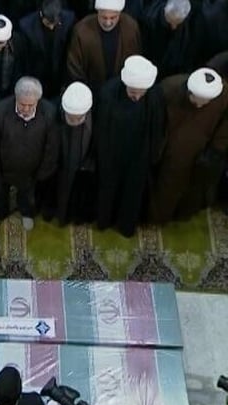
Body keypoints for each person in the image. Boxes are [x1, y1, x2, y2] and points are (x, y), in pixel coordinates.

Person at [95, 55, 165, 237]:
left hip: (139, 153)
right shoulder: (108, 93)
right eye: (133, 91)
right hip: (112, 153)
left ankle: (126, 225)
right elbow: (101, 130)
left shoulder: (154, 96)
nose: (136, 96)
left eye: (141, 92)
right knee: (108, 188)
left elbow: (157, 127)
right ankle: (104, 221)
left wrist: (153, 154)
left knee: (132, 193)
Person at [151, 68, 228, 224]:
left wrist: (216, 150)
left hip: (202, 154)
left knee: (193, 190)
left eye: (205, 102)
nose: (200, 105)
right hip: (172, 153)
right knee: (166, 188)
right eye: (196, 99)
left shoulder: (224, 95)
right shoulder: (170, 88)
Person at [0, 76, 58, 231]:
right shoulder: (0, 111)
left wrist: (42, 172)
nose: (26, 109)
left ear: (38, 100)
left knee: (28, 197)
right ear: (15, 97)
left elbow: (51, 147)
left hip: (31, 171)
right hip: (3, 169)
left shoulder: (49, 113)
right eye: (22, 104)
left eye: (30, 105)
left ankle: (27, 214)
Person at [67, 0, 142, 93]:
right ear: (97, 12)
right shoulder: (81, 31)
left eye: (113, 18)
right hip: (91, 93)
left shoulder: (131, 28)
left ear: (120, 14)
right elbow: (75, 69)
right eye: (104, 17)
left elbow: (136, 61)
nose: (108, 22)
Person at [56, 81, 96, 225]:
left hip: (83, 165)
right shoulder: (54, 113)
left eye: (78, 118)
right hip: (60, 166)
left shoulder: (96, 115)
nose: (74, 121)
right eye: (71, 117)